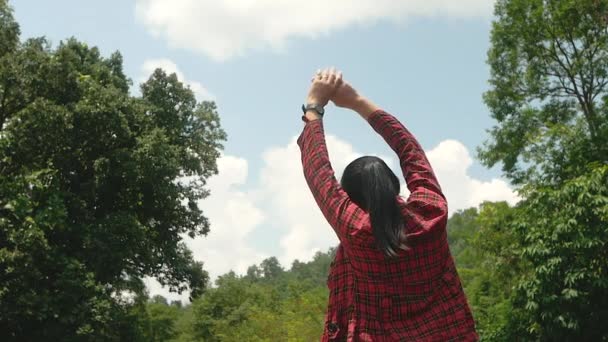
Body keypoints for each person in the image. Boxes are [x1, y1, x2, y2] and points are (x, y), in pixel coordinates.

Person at [298, 68, 478, 341]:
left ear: (351, 198)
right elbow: (410, 151)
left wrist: (314, 108)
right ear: (394, 185)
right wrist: (358, 102)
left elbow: (318, 173)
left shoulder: (357, 230)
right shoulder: (432, 213)